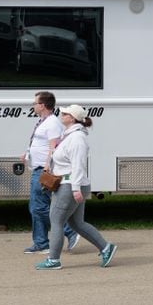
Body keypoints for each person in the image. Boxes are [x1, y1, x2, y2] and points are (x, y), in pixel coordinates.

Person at [35, 104, 117, 270]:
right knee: (77, 224)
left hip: (69, 184)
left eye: (64, 113)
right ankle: (106, 248)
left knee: (56, 220)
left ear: (71, 118)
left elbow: (78, 165)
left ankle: (53, 260)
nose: (61, 114)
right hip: (69, 183)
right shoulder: (70, 135)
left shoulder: (77, 138)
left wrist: (75, 188)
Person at [22, 92, 79, 254]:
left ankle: (61, 234)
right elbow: (38, 143)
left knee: (37, 207)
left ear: (43, 105)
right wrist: (27, 154)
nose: (33, 105)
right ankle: (45, 240)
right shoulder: (42, 121)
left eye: (35, 102)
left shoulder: (52, 123)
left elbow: (54, 146)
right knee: (42, 206)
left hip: (43, 170)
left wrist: (48, 166)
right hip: (38, 168)